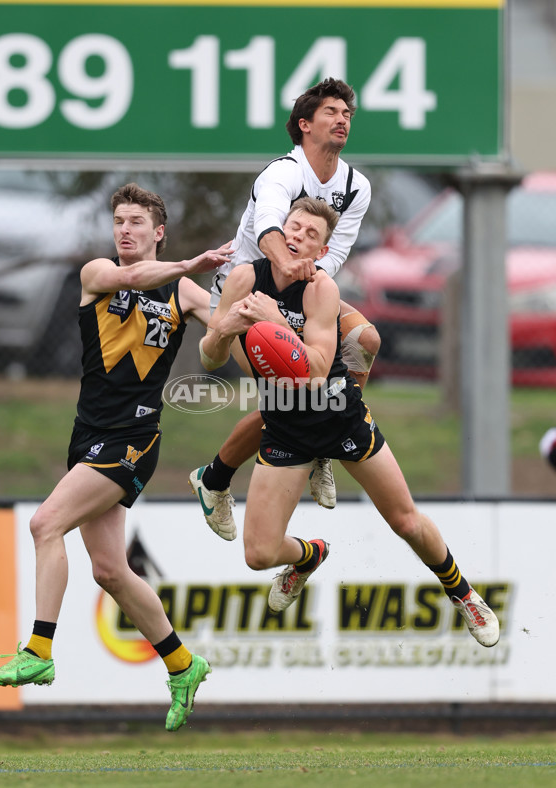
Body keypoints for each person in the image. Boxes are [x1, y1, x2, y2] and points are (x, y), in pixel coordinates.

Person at [0, 183, 233, 731]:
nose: (125, 229)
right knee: (111, 571)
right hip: (87, 436)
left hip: (132, 438)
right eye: (119, 219)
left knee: (46, 523)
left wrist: (243, 313)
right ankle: (183, 664)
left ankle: (39, 652)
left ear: (157, 231)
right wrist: (189, 264)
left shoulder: (186, 294)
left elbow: (224, 340)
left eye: (137, 221)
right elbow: (131, 278)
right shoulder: (96, 272)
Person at [198, 196, 500, 649]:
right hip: (285, 428)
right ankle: (309, 556)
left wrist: (274, 320)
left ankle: (463, 594)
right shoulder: (244, 278)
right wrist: (224, 329)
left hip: (340, 416)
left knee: (405, 521)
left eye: (311, 235)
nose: (298, 236)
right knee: (258, 555)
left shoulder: (322, 289)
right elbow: (209, 357)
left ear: (321, 253)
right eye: (293, 227)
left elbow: (317, 370)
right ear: (278, 232)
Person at [190, 77, 381, 541]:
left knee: (367, 340)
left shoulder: (356, 187)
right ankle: (212, 479)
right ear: (304, 124)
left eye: (347, 113)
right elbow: (269, 232)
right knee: (288, 399)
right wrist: (286, 276)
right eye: (331, 112)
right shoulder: (282, 173)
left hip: (304, 288)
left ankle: (329, 438)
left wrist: (309, 286)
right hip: (248, 293)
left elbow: (333, 257)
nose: (342, 119)